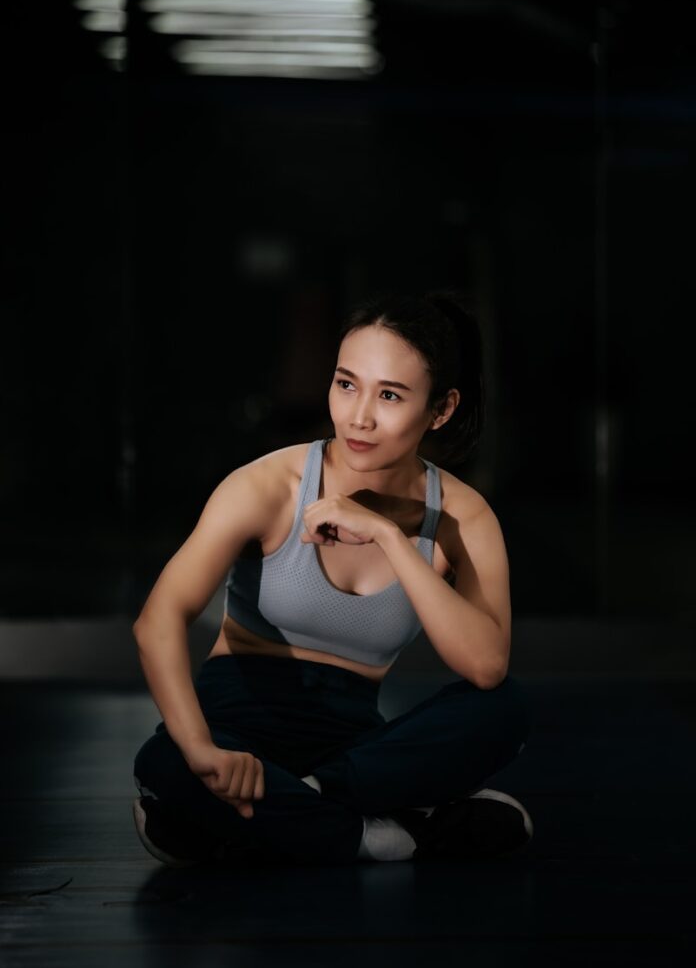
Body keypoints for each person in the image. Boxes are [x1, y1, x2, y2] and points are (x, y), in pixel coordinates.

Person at [131, 289, 533, 867]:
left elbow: (485, 665)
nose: (358, 416)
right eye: (346, 384)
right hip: (240, 722)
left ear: (440, 409)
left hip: (352, 741)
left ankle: (288, 810)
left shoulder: (464, 517)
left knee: (506, 709)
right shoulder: (269, 485)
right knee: (165, 763)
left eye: (390, 395)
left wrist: (393, 539)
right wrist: (198, 750)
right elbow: (157, 619)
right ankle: (391, 832)